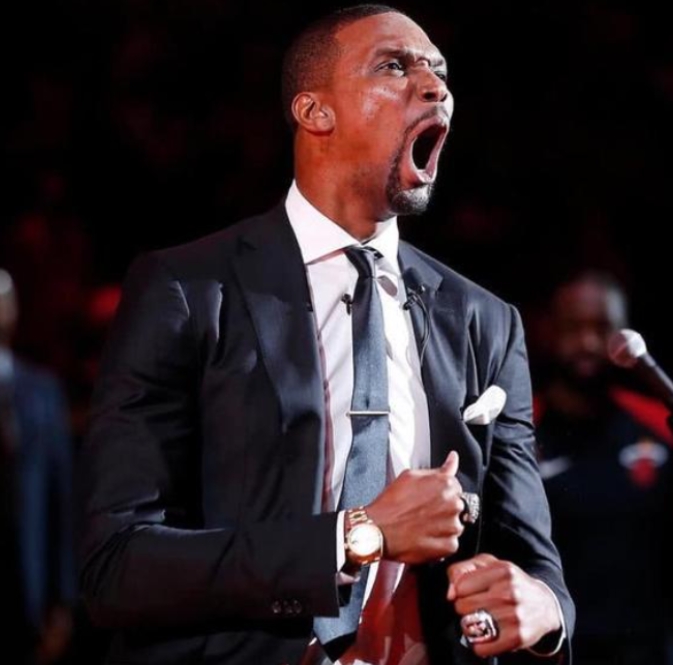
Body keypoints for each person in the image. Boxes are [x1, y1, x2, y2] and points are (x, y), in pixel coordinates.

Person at [78, 5, 574, 664]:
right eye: (394, 66)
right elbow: (117, 565)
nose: (434, 87)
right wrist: (354, 537)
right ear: (315, 112)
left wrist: (543, 610)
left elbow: (536, 568)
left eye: (439, 72)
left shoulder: (485, 320)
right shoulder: (188, 290)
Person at [534, 270, 673, 665]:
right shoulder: (520, 432)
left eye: (601, 328)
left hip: (646, 647)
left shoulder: (659, 423)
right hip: (555, 649)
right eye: (573, 328)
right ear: (550, 332)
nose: (588, 343)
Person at [0, 267, 75, 664]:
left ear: (14, 310)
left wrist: (64, 598)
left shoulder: (43, 391)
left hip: (26, 590)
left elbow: (61, 499)